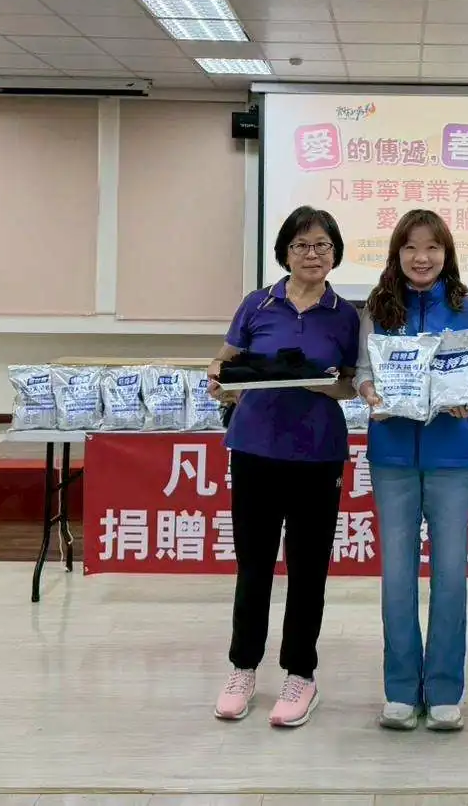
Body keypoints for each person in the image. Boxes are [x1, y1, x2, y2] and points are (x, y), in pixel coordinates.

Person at [208, 206, 360, 728]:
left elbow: (351, 384)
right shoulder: (258, 303)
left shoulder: (345, 314)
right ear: (284, 253)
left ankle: (300, 674)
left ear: (335, 253)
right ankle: (242, 667)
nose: (312, 254)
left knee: (308, 569)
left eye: (322, 245)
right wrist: (218, 377)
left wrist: (323, 385)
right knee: (253, 565)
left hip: (318, 454)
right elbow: (224, 360)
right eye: (301, 245)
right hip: (254, 447)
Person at [354, 209, 468, 734]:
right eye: (411, 247)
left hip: (452, 456)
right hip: (392, 455)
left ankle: (443, 690)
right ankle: (399, 690)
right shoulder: (377, 309)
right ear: (396, 254)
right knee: (397, 575)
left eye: (432, 247)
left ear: (447, 254)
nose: (422, 258)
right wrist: (371, 393)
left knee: (451, 574)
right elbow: (363, 374)